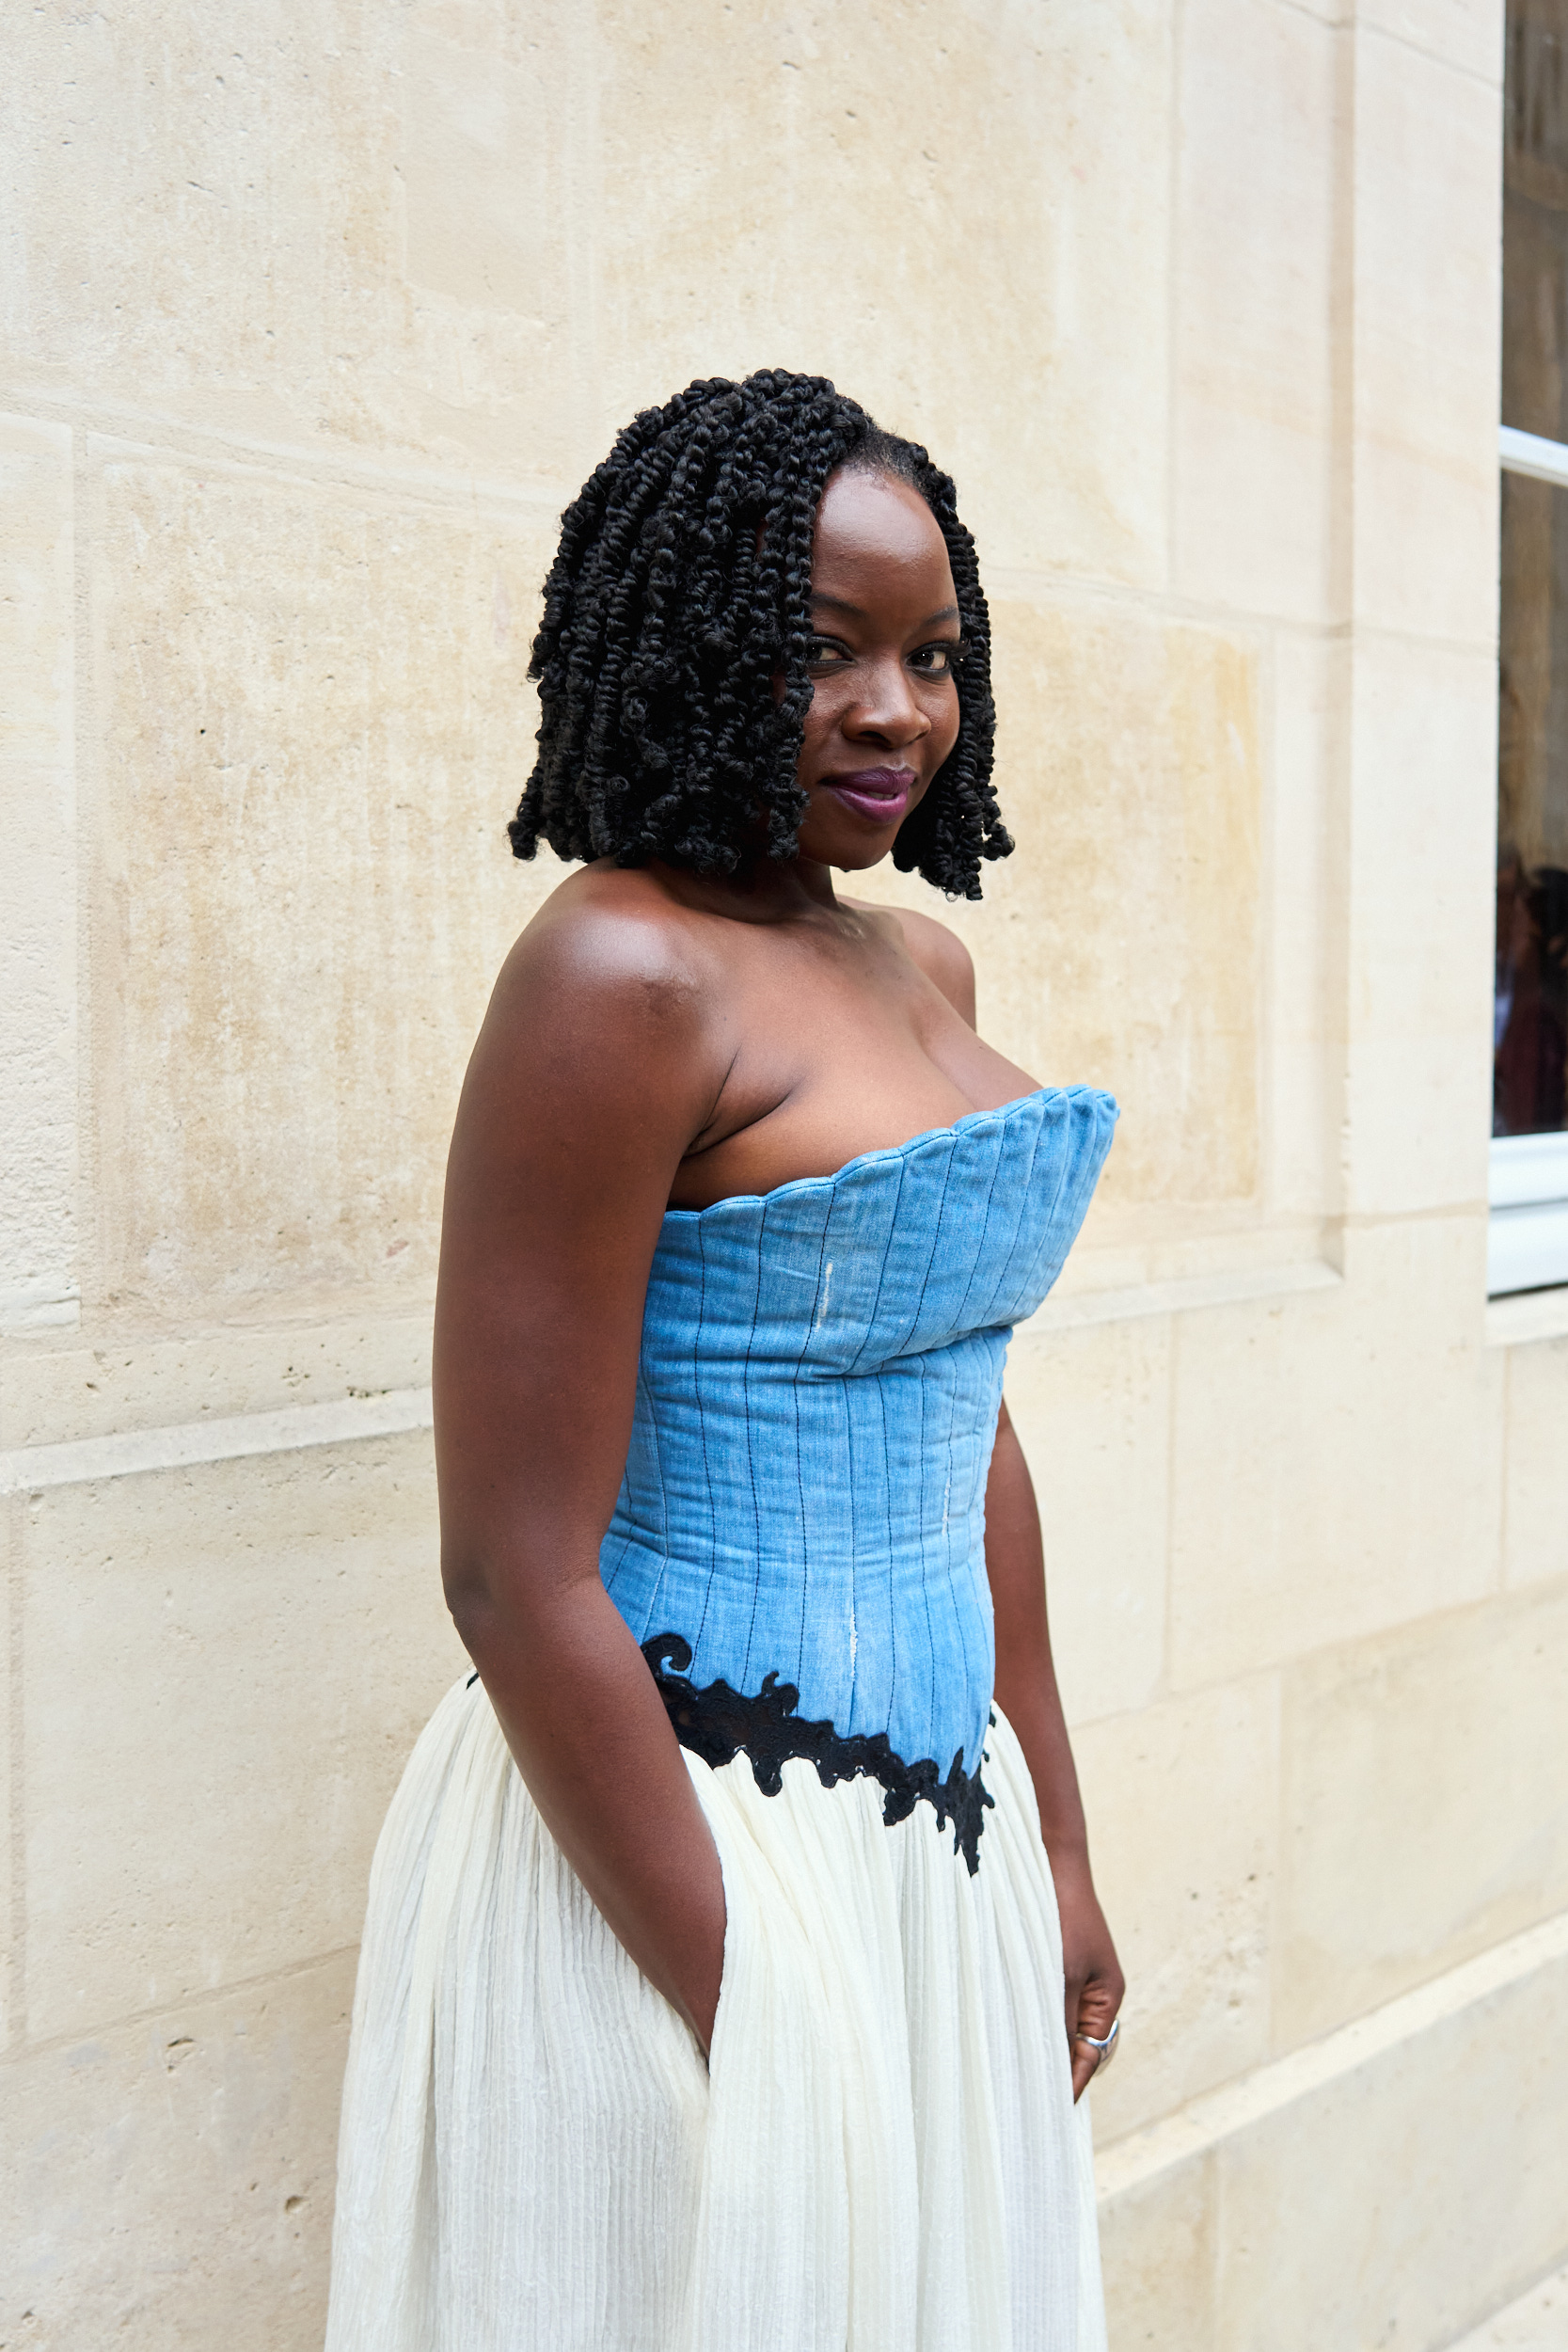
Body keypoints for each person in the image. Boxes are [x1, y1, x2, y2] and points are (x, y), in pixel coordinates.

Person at [325, 370, 1123, 2352]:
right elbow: (516, 1565)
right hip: (687, 1847)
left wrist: (1062, 1847)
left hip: (936, 1840)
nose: (894, 711)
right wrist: (747, 1990)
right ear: (688, 641)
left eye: (931, 655)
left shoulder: (917, 962)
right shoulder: (615, 970)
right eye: (822, 647)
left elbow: (968, 1430)